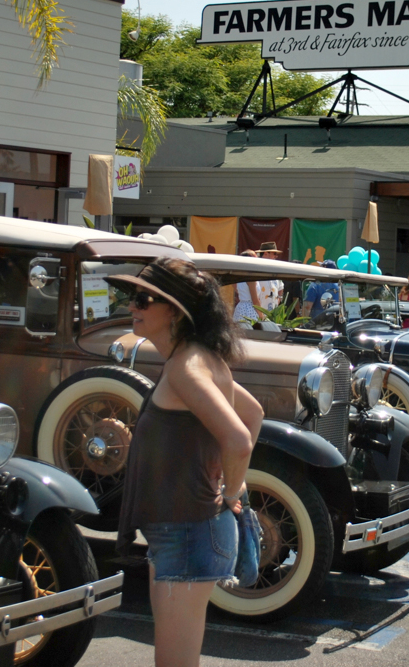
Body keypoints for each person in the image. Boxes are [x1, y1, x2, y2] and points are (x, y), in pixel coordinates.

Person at [110, 258, 264, 666]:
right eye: (132, 297)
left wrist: (231, 492)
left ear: (175, 311)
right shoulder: (198, 358)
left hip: (188, 531)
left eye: (143, 299)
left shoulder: (186, 366)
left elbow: (239, 438)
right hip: (182, 531)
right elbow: (253, 415)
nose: (133, 307)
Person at [231, 250, 262, 326]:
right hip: (250, 309)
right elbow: (255, 300)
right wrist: (261, 315)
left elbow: (237, 289)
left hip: (241, 307)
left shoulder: (240, 276)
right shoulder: (251, 278)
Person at [257, 242, 284, 311]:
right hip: (258, 311)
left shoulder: (275, 270)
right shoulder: (256, 269)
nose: (276, 256)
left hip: (272, 313)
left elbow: (281, 288)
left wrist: (278, 300)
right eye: (274, 253)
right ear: (266, 253)